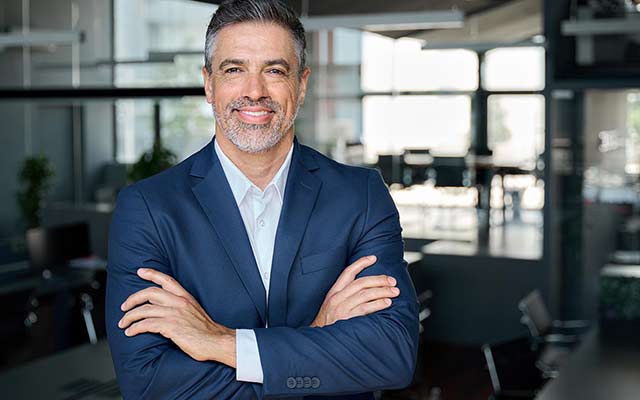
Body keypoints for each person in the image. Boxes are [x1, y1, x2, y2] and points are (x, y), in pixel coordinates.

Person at [105, 0, 419, 399]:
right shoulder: (148, 209)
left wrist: (221, 343)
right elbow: (148, 383)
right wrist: (318, 334)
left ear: (301, 85)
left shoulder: (361, 197)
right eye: (234, 70)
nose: (254, 92)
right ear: (208, 84)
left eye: (274, 70)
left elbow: (390, 356)